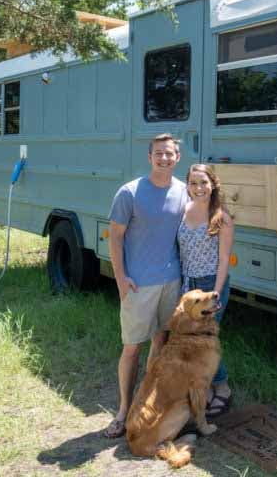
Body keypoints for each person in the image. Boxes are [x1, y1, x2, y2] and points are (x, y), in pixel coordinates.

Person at [103, 133, 188, 438]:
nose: (164, 158)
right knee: (131, 348)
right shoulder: (130, 192)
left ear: (177, 157)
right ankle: (123, 411)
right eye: (158, 153)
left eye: (169, 153)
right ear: (149, 157)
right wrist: (121, 278)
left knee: (160, 344)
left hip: (171, 281)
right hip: (138, 285)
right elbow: (115, 237)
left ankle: (146, 405)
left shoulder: (183, 192)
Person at [177, 163, 235, 417]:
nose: (198, 188)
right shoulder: (183, 210)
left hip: (211, 284)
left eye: (203, 182)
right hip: (187, 285)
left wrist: (217, 292)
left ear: (213, 184)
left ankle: (222, 387)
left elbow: (224, 259)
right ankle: (205, 387)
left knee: (205, 341)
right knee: (192, 340)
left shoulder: (222, 218)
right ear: (187, 186)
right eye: (193, 183)